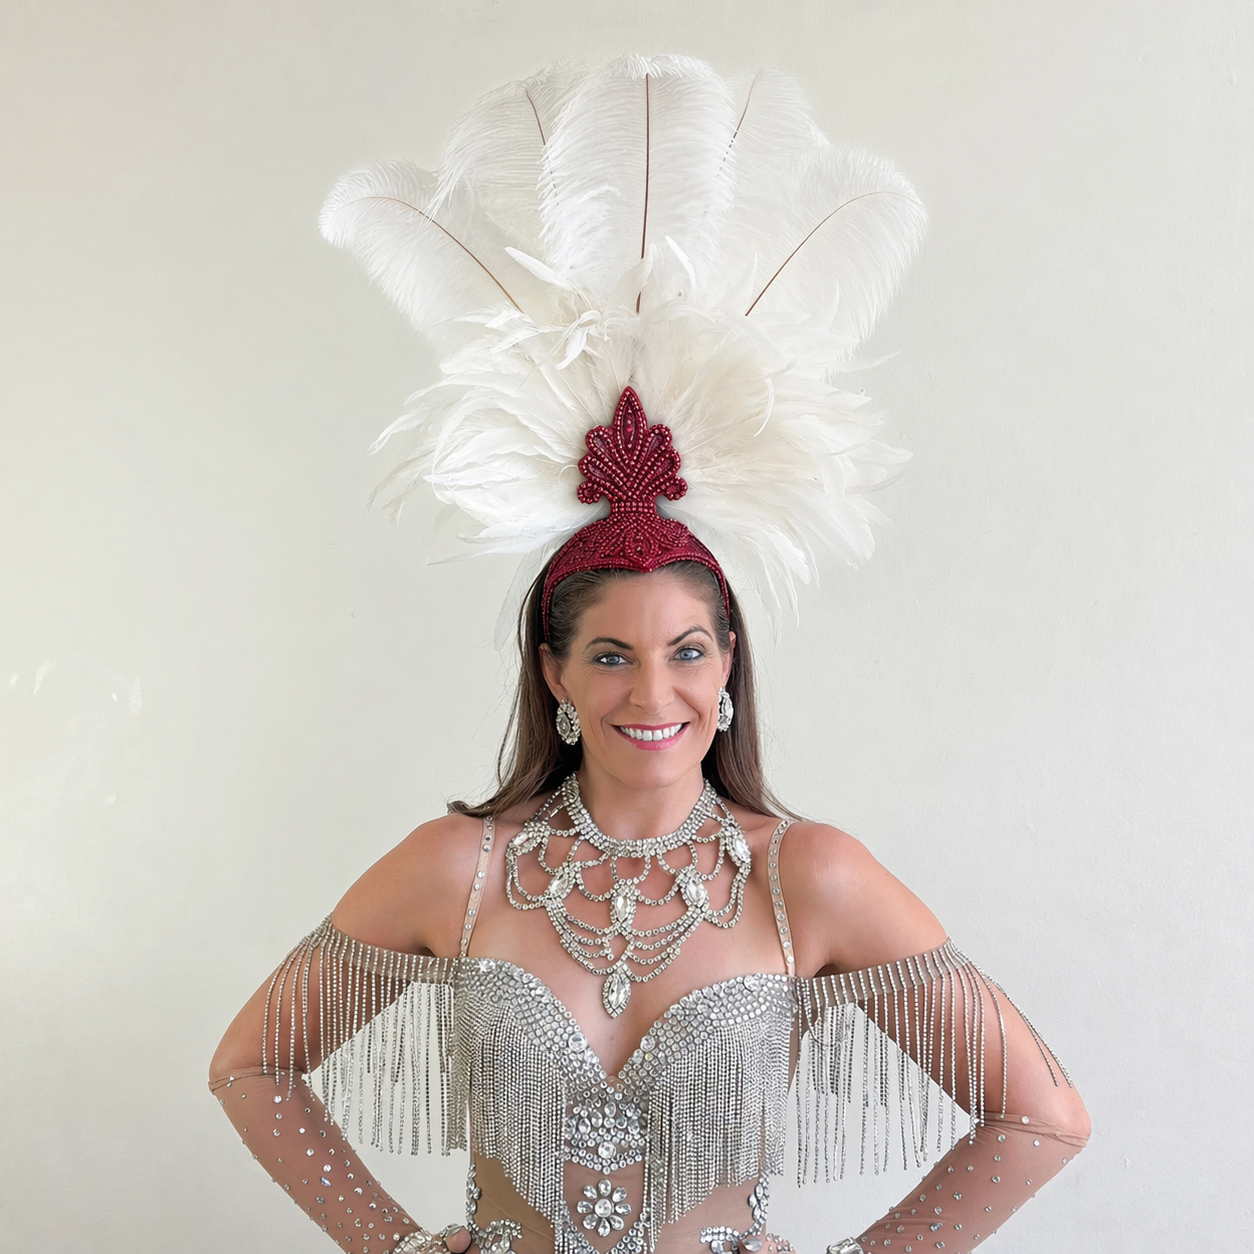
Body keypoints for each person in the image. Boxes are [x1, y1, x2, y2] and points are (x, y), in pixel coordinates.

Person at [209, 56, 1089, 1254]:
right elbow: (255, 1064)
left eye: (686, 650)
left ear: (729, 668)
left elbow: (1039, 1115)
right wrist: (401, 1247)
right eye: (611, 656)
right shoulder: (455, 869)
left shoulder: (807, 877)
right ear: (555, 675)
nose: (655, 690)